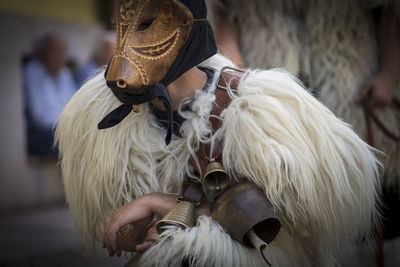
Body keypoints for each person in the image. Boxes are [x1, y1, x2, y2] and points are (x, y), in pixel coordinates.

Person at [56, 0, 380, 266]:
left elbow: (308, 208)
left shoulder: (260, 105)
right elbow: (118, 231)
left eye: (146, 24)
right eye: (121, 28)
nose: (124, 50)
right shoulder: (98, 120)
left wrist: (172, 206)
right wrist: (142, 232)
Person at [24, 34, 77, 157]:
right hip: (42, 132)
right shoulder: (32, 72)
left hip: (63, 130)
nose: (59, 57)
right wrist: (65, 128)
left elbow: (73, 106)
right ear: (43, 54)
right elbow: (39, 117)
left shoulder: (65, 73)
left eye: (62, 53)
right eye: (54, 52)